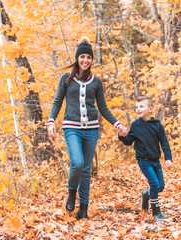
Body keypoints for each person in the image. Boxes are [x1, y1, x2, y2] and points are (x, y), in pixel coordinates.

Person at [47, 36, 127, 220]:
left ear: (92, 60)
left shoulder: (96, 82)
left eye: (88, 57)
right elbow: (58, 101)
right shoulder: (65, 79)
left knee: (86, 169)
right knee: (77, 163)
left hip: (91, 129)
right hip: (71, 128)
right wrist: (51, 121)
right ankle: (71, 193)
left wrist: (118, 124)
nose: (85, 60)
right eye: (82, 56)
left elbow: (103, 108)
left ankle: (83, 208)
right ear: (77, 58)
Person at [118, 95, 173, 220]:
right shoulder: (136, 125)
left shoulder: (157, 125)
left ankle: (145, 194)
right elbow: (128, 141)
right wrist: (122, 135)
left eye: (141, 106)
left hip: (155, 160)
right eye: (137, 107)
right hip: (144, 160)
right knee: (154, 183)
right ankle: (156, 212)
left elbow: (164, 142)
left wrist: (168, 158)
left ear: (151, 109)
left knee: (160, 186)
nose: (138, 109)